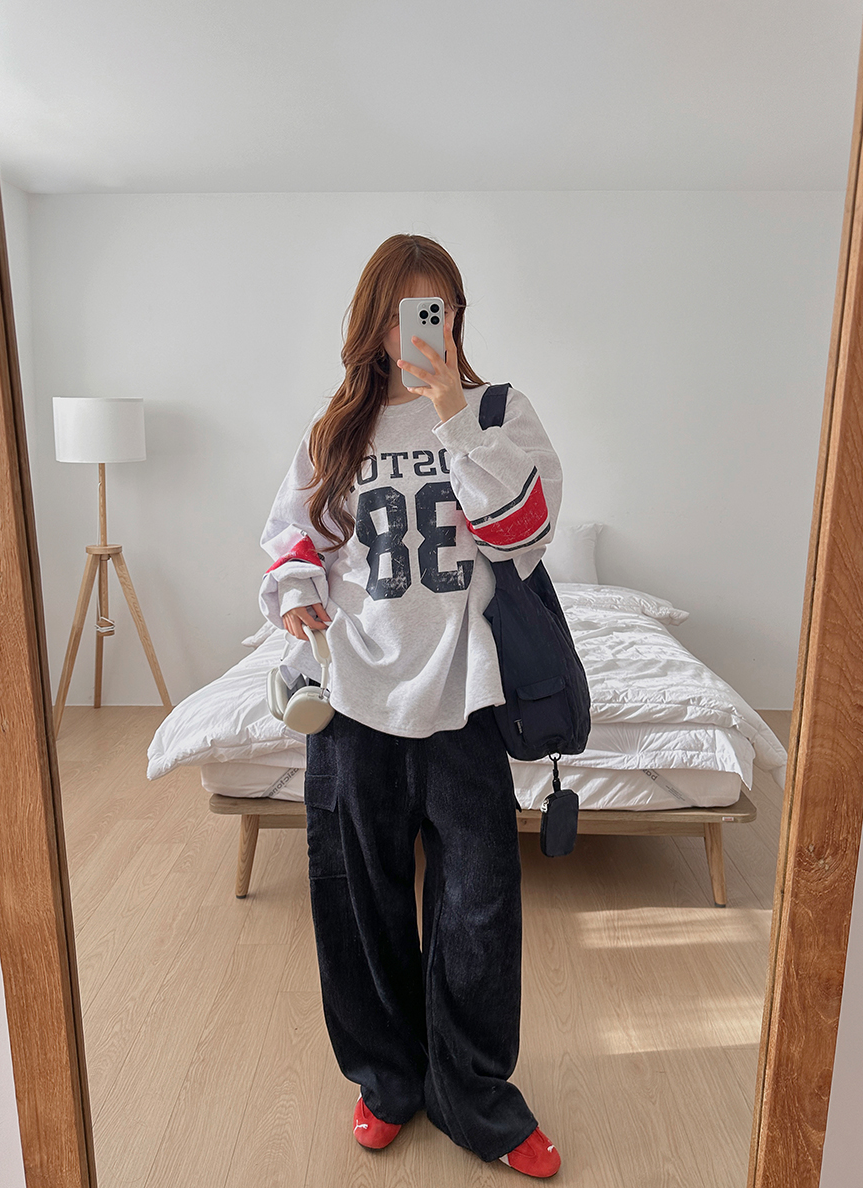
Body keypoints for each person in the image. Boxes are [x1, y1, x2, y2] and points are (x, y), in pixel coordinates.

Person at [257, 233, 564, 1179]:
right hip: (354, 694)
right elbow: (294, 537)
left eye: (438, 310)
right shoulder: (335, 432)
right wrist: (297, 589)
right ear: (376, 323)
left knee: (480, 911)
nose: (420, 330)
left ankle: (475, 1096)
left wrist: (452, 417)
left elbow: (526, 536)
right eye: (404, 313)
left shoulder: (498, 413)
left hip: (465, 696)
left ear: (457, 317)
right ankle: (387, 1081)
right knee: (359, 903)